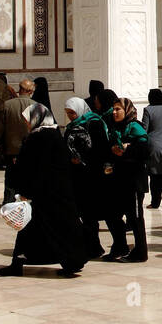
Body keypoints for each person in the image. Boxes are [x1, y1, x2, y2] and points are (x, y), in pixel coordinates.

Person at [0, 102, 86, 277]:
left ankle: (68, 262)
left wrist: (25, 191)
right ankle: (70, 262)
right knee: (40, 230)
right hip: (57, 193)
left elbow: (36, 168)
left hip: (46, 195)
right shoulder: (53, 134)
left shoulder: (39, 138)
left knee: (36, 229)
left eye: (28, 120)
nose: (27, 124)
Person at [103, 94, 148, 262]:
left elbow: (144, 152)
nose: (114, 112)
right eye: (113, 109)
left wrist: (127, 151)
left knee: (135, 218)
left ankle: (140, 252)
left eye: (118, 109)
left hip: (134, 181)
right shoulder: (115, 129)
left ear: (127, 110)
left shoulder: (135, 128)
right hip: (118, 179)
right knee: (111, 214)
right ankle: (120, 246)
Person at [64, 96, 108, 260]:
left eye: (72, 112)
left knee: (89, 214)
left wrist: (84, 159)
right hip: (75, 176)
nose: (70, 116)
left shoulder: (94, 123)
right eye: (68, 113)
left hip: (90, 175)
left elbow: (100, 149)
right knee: (80, 213)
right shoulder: (71, 127)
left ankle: (94, 247)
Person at [0, 79, 35, 204]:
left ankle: (8, 201)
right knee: (28, 175)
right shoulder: (35, 106)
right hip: (29, 148)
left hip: (11, 148)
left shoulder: (7, 105)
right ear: (30, 91)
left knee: (10, 176)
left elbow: (0, 128)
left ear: (20, 89)